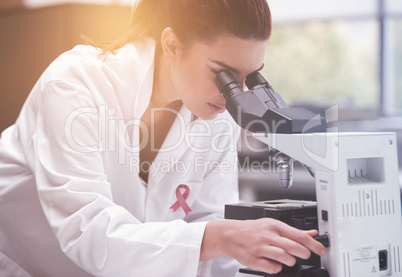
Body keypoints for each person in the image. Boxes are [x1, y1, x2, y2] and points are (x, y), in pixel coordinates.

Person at [0, 0, 326, 276]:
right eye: (222, 74)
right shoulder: (76, 83)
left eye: (246, 79)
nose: (233, 97)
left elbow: (212, 241)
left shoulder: (215, 114)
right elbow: (88, 232)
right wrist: (219, 237)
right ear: (171, 44)